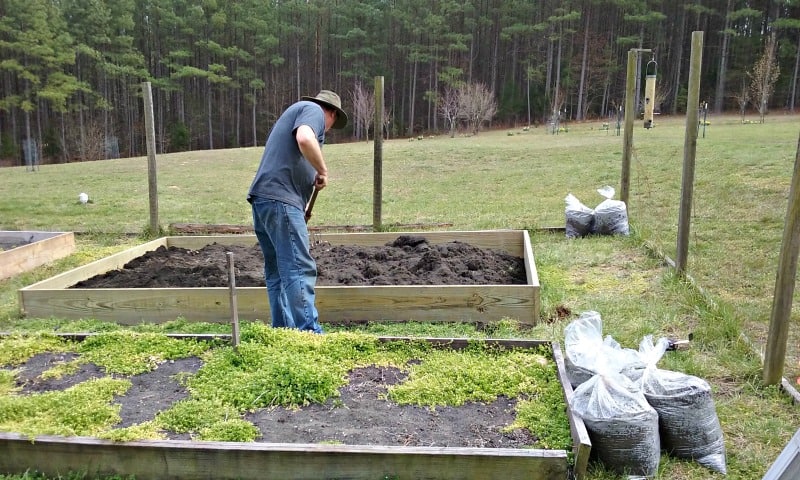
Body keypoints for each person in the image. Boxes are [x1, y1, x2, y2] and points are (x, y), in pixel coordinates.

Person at [247, 90, 348, 333]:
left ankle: (283, 331)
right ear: (331, 113)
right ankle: (309, 332)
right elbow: (304, 139)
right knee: (298, 267)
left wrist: (308, 185)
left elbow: (293, 157)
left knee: (276, 271)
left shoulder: (296, 113)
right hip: (280, 201)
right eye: (333, 124)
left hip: (265, 200)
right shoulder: (312, 110)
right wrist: (323, 170)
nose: (329, 130)